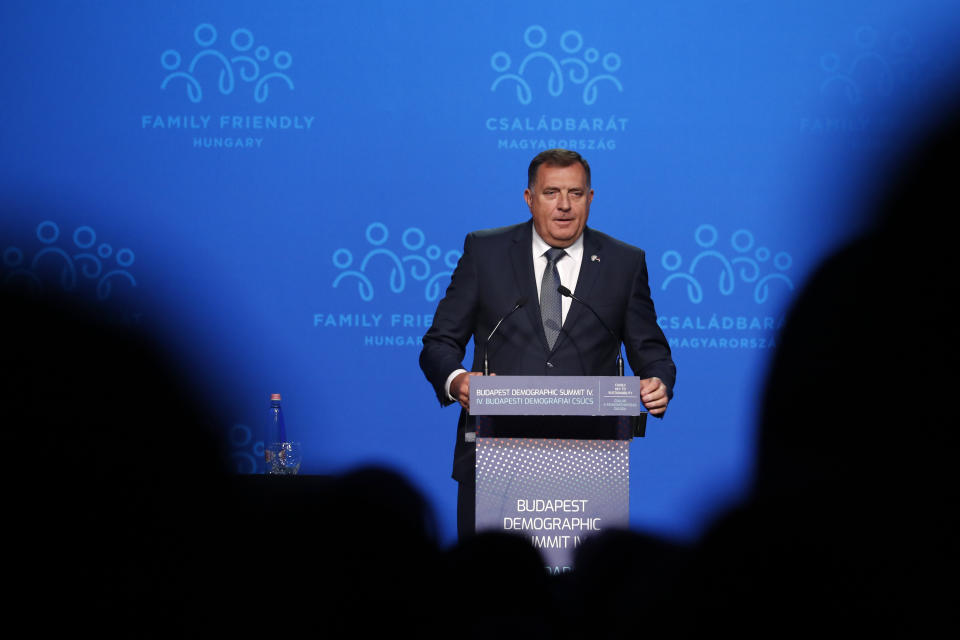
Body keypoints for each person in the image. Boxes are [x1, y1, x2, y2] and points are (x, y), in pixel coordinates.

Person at [419, 148, 676, 538]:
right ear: (529, 198)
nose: (564, 206)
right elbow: (439, 343)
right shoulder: (484, 253)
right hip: (494, 458)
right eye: (551, 193)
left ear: (590, 199)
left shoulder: (624, 262)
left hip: (589, 462)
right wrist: (457, 381)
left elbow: (651, 349)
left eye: (575, 194)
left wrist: (658, 381)